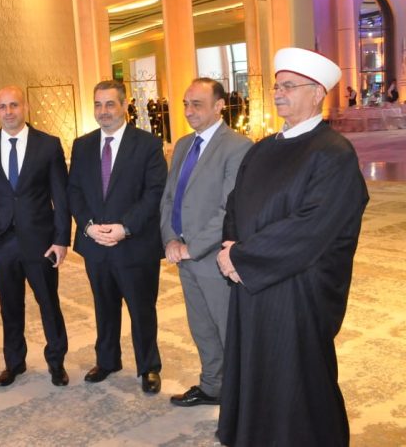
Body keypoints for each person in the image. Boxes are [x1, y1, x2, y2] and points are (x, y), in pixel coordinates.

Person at [216, 48, 368, 446]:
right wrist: (230, 248)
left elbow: (312, 227)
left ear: (317, 93)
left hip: (298, 289)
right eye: (276, 87)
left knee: (297, 377)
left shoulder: (334, 153)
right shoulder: (262, 147)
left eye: (288, 86)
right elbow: (235, 204)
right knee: (256, 367)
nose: (277, 94)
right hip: (251, 281)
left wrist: (241, 257)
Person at [67, 80, 167, 393]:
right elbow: (74, 191)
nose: (104, 111)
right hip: (96, 244)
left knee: (142, 310)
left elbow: (155, 193)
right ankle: (107, 360)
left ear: (124, 105)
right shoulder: (82, 145)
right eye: (98, 104)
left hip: (135, 245)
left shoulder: (148, 144)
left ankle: (148, 366)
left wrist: (125, 227)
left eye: (110, 104)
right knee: (104, 306)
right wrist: (87, 227)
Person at [159, 78, 252, 408]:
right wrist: (170, 239)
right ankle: (212, 387)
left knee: (228, 330)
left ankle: (242, 400)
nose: (188, 111)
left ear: (219, 106)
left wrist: (193, 247)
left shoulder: (238, 147)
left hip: (214, 259)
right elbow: (169, 198)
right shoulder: (184, 144)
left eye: (197, 104)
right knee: (201, 328)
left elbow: (229, 209)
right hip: (183, 257)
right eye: (185, 104)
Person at [0, 86, 71, 387]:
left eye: (14, 105)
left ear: (25, 107)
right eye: (3, 107)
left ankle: (56, 362)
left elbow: (61, 196)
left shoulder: (48, 144)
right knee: (10, 306)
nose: (9, 112)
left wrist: (61, 239)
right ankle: (14, 363)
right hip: (1, 243)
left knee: (48, 303)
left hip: (41, 242)